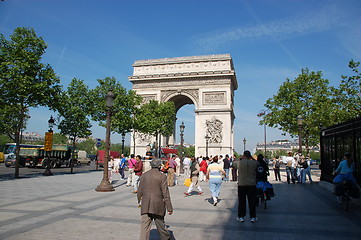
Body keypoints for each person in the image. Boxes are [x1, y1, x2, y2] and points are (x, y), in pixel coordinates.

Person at [137, 158, 173, 240]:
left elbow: (139, 190)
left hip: (145, 204)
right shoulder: (162, 176)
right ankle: (166, 238)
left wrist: (139, 201)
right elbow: (165, 193)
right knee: (161, 226)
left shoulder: (144, 175)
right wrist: (169, 207)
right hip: (158, 204)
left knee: (144, 227)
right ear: (159, 166)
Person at [234, 150, 258, 223]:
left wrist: (240, 158)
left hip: (242, 184)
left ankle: (241, 216)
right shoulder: (254, 163)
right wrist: (252, 158)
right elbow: (258, 163)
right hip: (252, 184)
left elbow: (233, 164)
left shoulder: (239, 163)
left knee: (241, 201)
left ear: (243, 155)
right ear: (250, 155)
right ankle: (253, 217)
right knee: (252, 201)